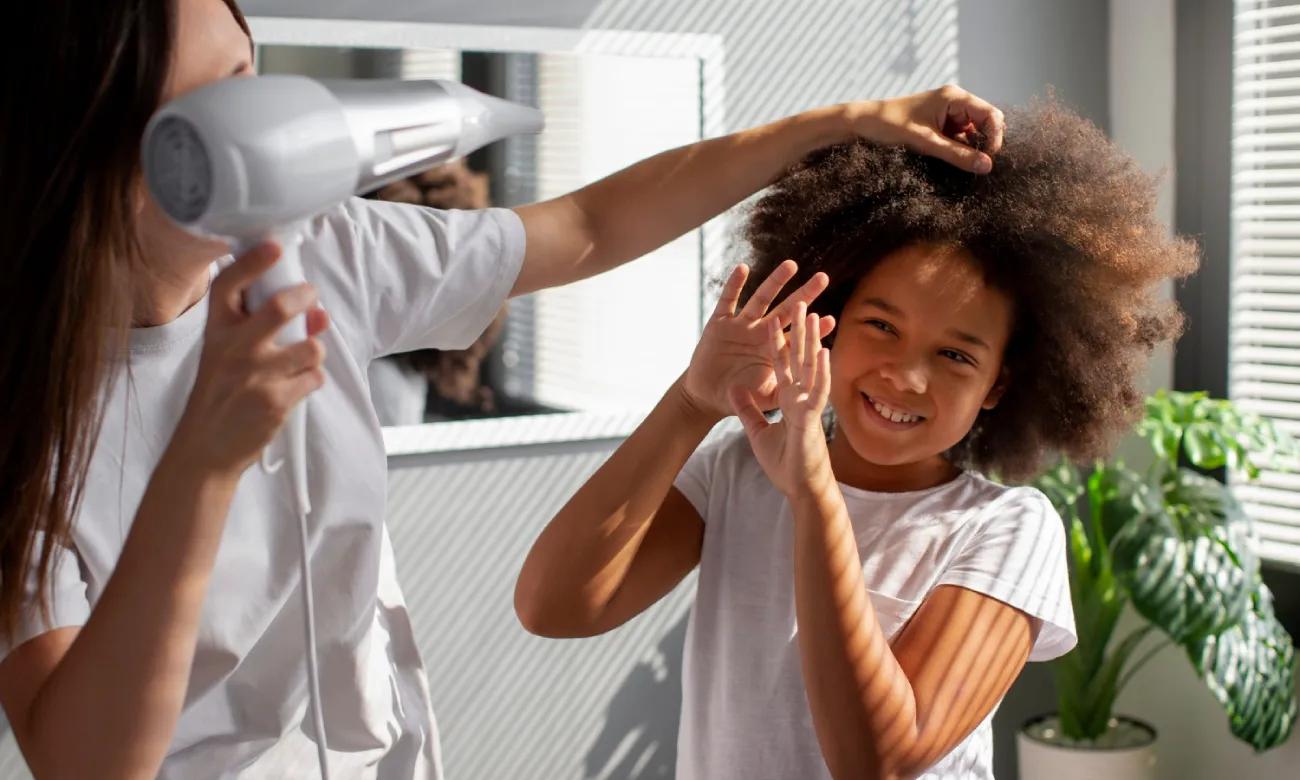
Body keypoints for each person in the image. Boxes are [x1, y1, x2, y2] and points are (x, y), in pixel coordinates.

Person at [0, 1, 1010, 778]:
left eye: (253, 73)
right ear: (105, 146)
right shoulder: (30, 408)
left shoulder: (328, 248)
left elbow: (587, 231)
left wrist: (844, 121)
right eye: (226, 103)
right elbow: (82, 761)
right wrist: (205, 464)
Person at [514, 96, 1200, 780]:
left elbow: (880, 761)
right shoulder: (735, 472)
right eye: (881, 326)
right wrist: (690, 403)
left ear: (997, 383)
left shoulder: (1005, 530)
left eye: (956, 356)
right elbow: (554, 606)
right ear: (828, 321)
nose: (905, 376)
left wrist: (814, 494)